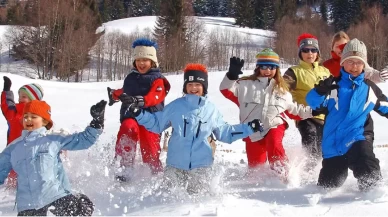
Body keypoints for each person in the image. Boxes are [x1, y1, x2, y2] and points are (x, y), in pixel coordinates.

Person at [119, 63, 263, 194]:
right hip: (175, 167)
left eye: (197, 84)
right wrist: (138, 113)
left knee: (198, 204)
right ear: (185, 87)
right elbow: (156, 124)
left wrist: (249, 128)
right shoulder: (176, 106)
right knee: (168, 203)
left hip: (201, 168)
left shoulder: (211, 110)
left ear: (204, 86)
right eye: (190, 84)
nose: (193, 88)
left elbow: (225, 133)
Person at [0, 99, 106, 215]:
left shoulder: (53, 139)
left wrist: (97, 122)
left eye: (33, 117)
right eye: (25, 117)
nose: (28, 120)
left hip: (55, 197)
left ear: (44, 121)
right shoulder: (14, 147)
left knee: (82, 209)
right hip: (27, 206)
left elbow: (83, 140)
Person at [219, 49, 313, 181]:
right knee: (256, 170)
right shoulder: (244, 85)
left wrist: (313, 111)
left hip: (274, 125)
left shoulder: (282, 90)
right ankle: (262, 185)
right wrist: (231, 75)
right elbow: (225, 90)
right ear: (258, 67)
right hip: (252, 131)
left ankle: (284, 176)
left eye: (271, 67)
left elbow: (294, 110)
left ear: (277, 69)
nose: (267, 70)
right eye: (263, 66)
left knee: (274, 143)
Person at [306, 38, 384, 191]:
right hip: (333, 144)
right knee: (328, 186)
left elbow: (385, 106)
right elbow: (313, 103)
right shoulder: (333, 86)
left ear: (364, 65)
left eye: (359, 62)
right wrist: (320, 90)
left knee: (366, 162)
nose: (354, 66)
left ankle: (373, 195)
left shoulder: (369, 89)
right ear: (342, 63)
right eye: (350, 61)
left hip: (356, 137)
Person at [106, 38, 170, 181]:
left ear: (152, 61)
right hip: (131, 115)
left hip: (151, 118)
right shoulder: (130, 78)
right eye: (138, 59)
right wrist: (114, 95)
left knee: (150, 146)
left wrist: (140, 101)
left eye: (145, 60)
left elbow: (157, 95)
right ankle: (123, 167)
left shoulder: (157, 79)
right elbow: (126, 91)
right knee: (128, 128)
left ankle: (154, 173)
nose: (141, 63)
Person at [283, 33, 330, 171]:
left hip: (323, 116)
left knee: (321, 147)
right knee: (310, 137)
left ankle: (316, 171)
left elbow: (337, 89)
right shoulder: (294, 72)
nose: (310, 53)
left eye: (313, 50)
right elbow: (281, 87)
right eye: (305, 50)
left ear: (318, 52)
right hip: (305, 115)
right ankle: (306, 170)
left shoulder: (325, 71)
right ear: (300, 53)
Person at [1, 76, 44, 188]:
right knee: (12, 178)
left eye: (24, 96)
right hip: (12, 152)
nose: (20, 98)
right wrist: (7, 90)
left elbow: (47, 128)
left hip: (31, 154)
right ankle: (12, 191)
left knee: (29, 177)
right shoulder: (14, 112)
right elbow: (7, 104)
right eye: (19, 96)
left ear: (33, 99)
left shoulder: (38, 116)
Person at [323, 31, 388, 82]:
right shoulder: (326, 65)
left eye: (344, 46)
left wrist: (380, 76)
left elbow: (370, 73)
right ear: (332, 47)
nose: (341, 49)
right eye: (337, 46)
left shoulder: (357, 61)